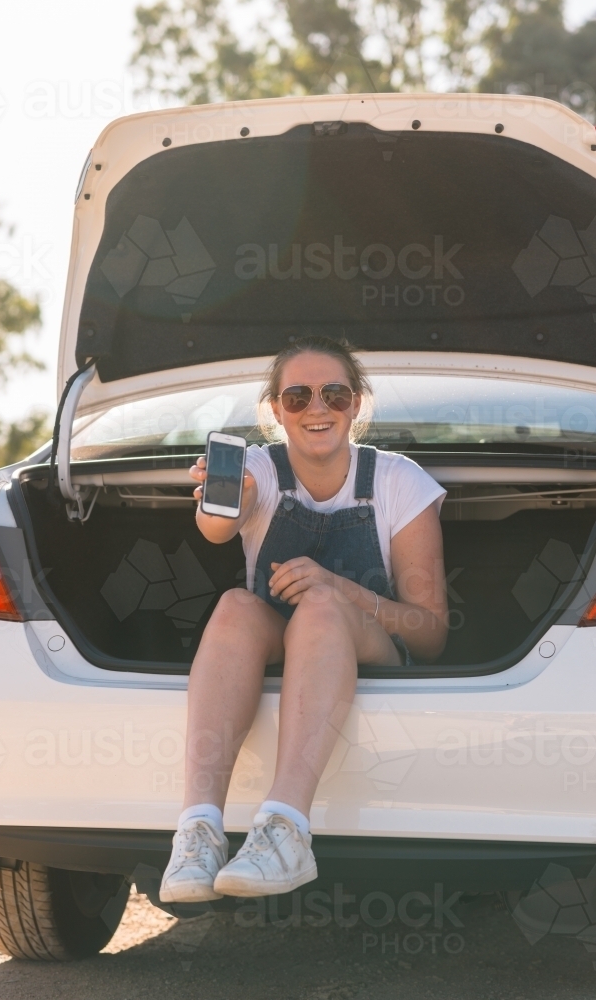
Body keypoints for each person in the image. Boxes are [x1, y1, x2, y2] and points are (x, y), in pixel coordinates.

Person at [160, 336, 448, 903]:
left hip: (373, 642)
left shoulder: (398, 481)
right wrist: (227, 506)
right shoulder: (255, 473)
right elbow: (216, 528)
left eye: (334, 393)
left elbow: (432, 634)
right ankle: (198, 832)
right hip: (278, 637)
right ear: (275, 411)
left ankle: (287, 829)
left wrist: (338, 588)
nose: (317, 408)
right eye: (297, 396)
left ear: (357, 403)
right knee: (235, 605)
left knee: (320, 608)